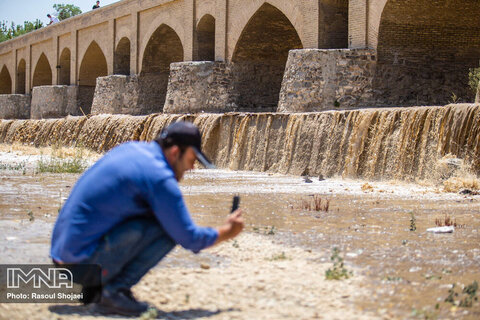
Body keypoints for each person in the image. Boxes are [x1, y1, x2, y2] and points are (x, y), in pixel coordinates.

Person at [50, 121, 244, 316]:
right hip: (80, 267)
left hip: (62, 258)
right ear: (176, 152)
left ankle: (98, 287)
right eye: (192, 159)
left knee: (153, 216)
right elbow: (188, 237)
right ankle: (111, 292)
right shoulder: (160, 178)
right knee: (167, 230)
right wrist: (228, 231)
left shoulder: (132, 149)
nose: (192, 168)